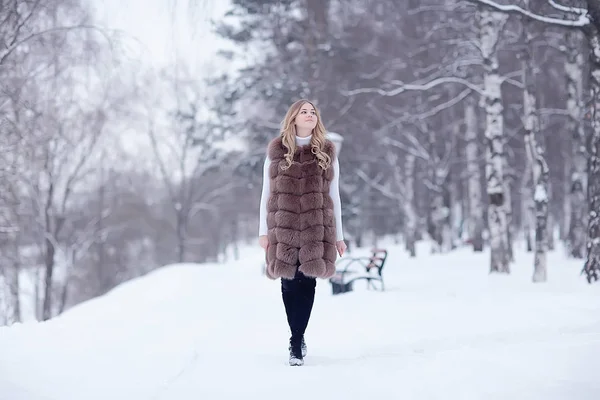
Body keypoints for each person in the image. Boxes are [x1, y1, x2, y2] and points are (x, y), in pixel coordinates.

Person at [258, 99, 346, 366]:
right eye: (304, 112)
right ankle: (296, 337)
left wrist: (339, 236)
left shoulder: (326, 152)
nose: (309, 115)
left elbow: (335, 196)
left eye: (313, 112)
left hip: (316, 227)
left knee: (307, 282)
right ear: (293, 117)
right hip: (282, 228)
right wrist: (263, 231)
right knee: (288, 282)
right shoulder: (277, 151)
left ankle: (296, 340)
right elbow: (266, 194)